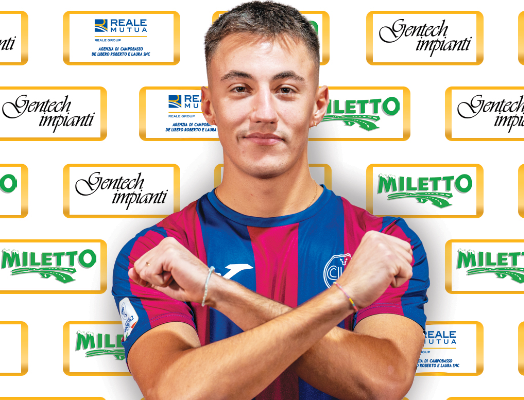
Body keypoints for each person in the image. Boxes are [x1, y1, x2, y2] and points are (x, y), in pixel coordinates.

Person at [112, 2, 429, 399]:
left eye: (285, 90)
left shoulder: (383, 242)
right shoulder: (157, 252)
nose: (264, 113)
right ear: (209, 106)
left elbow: (382, 382)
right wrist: (341, 298)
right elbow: (175, 392)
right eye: (240, 89)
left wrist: (217, 291)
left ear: (317, 106)